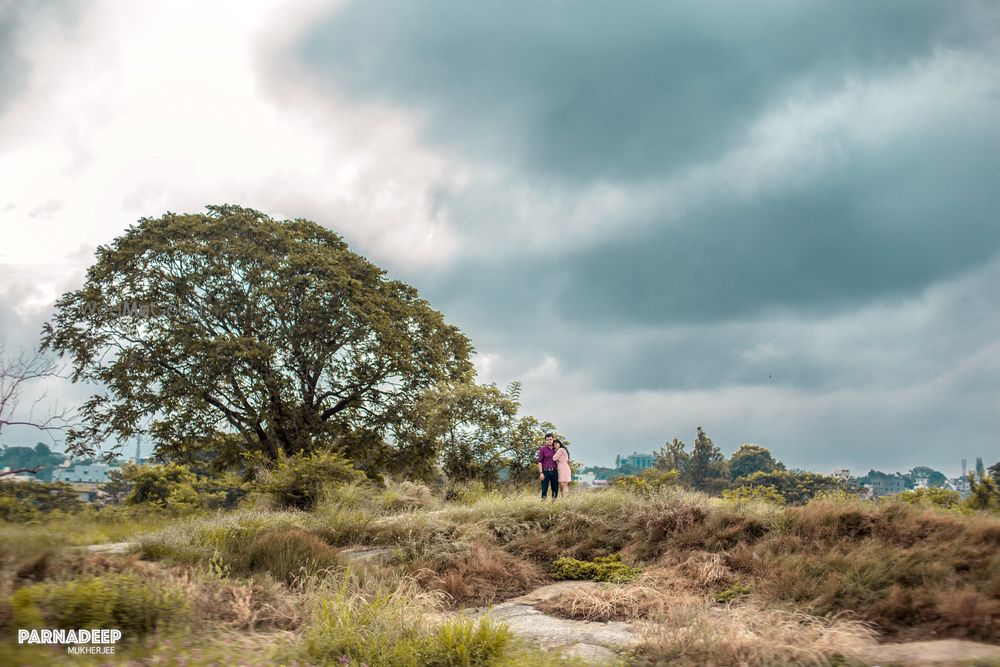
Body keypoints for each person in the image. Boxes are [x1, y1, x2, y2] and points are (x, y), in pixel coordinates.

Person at [538, 432, 558, 500]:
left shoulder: (556, 449)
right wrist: (541, 473)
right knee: (544, 489)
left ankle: (554, 504)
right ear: (545, 440)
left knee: (555, 489)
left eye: (550, 439)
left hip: (554, 471)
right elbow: (540, 462)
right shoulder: (542, 449)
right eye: (547, 439)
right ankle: (544, 504)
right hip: (545, 471)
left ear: (553, 439)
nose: (549, 441)